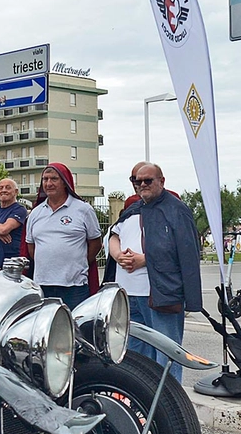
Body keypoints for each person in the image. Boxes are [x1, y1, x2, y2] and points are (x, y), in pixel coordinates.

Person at [110, 162, 201, 380]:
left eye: (147, 180)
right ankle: (141, 400)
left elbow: (187, 251)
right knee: (135, 353)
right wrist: (117, 255)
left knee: (166, 352)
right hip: (129, 294)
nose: (142, 185)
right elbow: (113, 235)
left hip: (161, 294)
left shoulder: (176, 210)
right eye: (137, 181)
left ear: (161, 181)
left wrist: (146, 260)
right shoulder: (134, 208)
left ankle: (169, 405)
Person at [25, 164, 101, 308]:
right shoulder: (35, 213)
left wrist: (79, 262)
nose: (48, 183)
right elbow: (31, 246)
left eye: (54, 179)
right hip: (42, 285)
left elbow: (95, 243)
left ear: (65, 183)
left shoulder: (83, 210)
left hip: (74, 287)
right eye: (45, 179)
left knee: (74, 328)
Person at [0, 178, 28, 269]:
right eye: (1, 188)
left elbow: (4, 229)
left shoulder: (20, 210)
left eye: (8, 188)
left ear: (16, 192)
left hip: (12, 260)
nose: (4, 190)